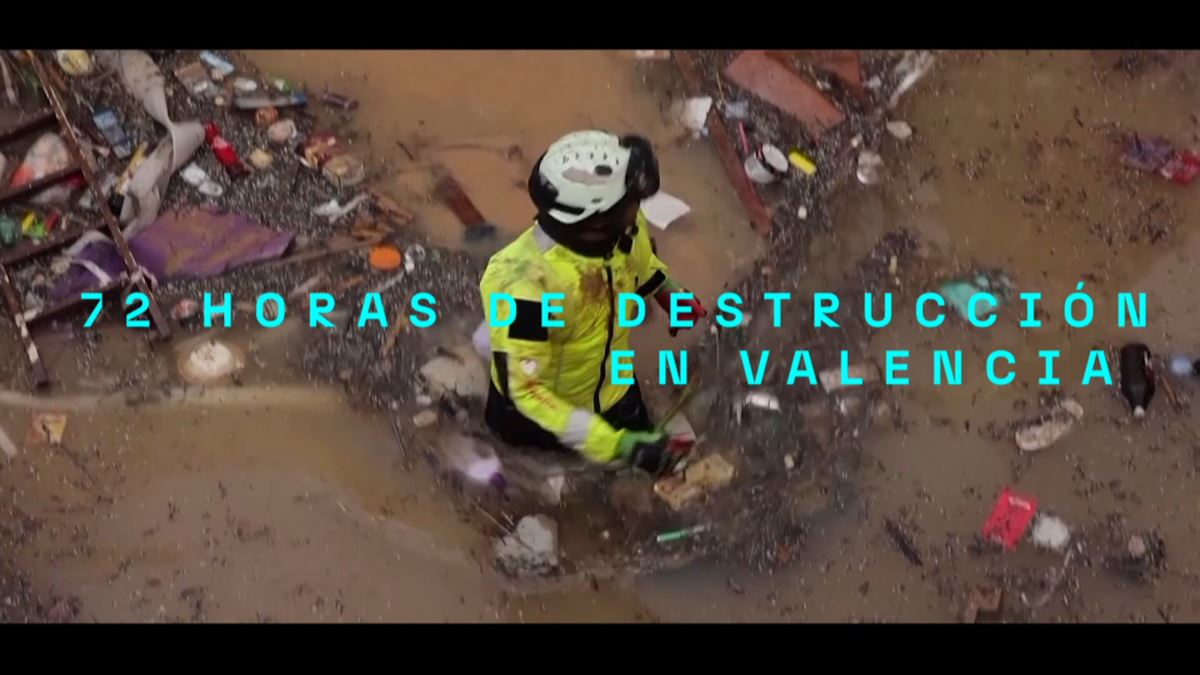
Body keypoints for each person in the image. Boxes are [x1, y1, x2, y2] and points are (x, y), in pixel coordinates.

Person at [478, 130, 706, 476]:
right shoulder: (525, 288)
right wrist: (615, 444)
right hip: (543, 418)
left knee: (649, 462)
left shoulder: (625, 228)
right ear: (596, 220)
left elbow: (641, 264)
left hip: (614, 386)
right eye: (631, 202)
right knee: (548, 481)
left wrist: (668, 293)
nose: (639, 209)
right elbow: (527, 393)